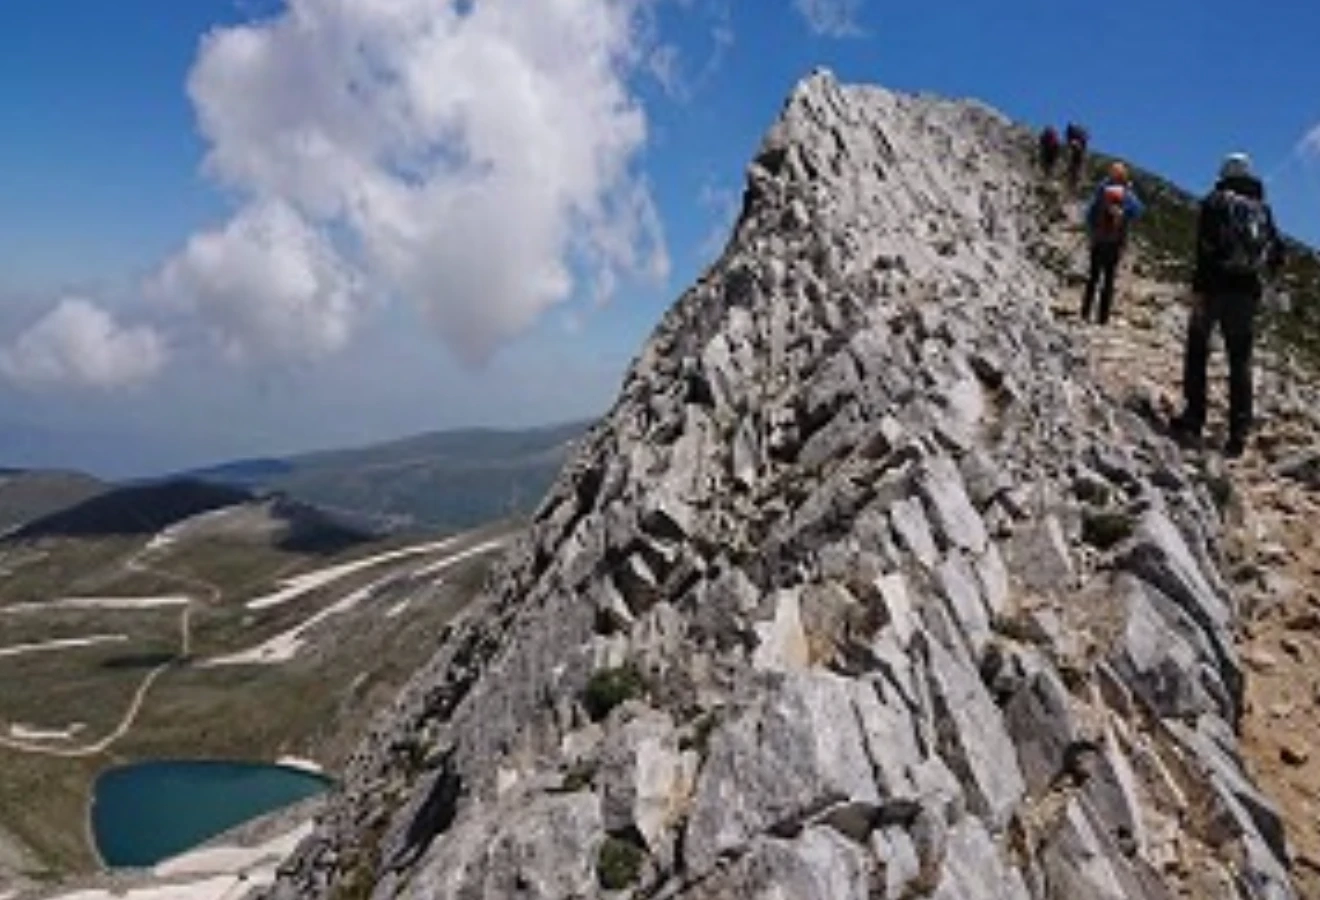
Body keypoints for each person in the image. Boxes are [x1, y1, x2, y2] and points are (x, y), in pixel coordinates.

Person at [1169, 153, 1285, 458]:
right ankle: (1238, 434)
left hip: (1212, 288)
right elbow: (1277, 255)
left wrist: (1199, 291)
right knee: (1240, 361)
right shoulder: (1262, 208)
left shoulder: (1215, 201)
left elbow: (1203, 249)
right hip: (1246, 293)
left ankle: (1194, 418)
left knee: (1198, 349)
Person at [1080, 161, 1144, 325]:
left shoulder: (1102, 189)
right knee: (1108, 280)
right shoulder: (1127, 193)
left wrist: (1090, 231)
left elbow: (1090, 211)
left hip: (1099, 239)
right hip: (1115, 242)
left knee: (1093, 277)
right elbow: (1138, 211)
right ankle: (1102, 318)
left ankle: (1085, 313)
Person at [1065, 122, 1089, 187]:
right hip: (1081, 153)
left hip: (1075, 154)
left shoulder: (1071, 135)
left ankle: (1072, 184)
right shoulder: (1081, 136)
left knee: (1073, 168)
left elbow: (1069, 145)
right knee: (1078, 169)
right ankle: (1076, 184)